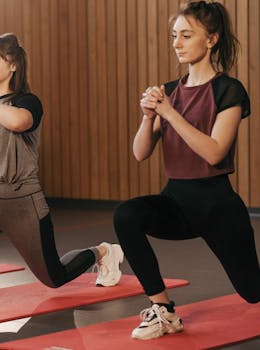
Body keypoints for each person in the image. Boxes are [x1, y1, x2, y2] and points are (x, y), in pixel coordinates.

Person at [0, 33, 124, 313]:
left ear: (13, 64)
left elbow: (17, 122)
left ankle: (103, 251)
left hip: (22, 208)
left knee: (55, 278)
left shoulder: (28, 102)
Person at [113, 0, 260, 340]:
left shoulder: (229, 90)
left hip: (218, 207)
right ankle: (163, 310)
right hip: (177, 203)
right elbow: (139, 153)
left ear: (211, 40)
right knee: (126, 215)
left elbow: (214, 152)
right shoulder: (169, 92)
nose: (176, 43)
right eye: (174, 35)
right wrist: (149, 116)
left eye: (186, 35)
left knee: (253, 291)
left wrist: (169, 113)